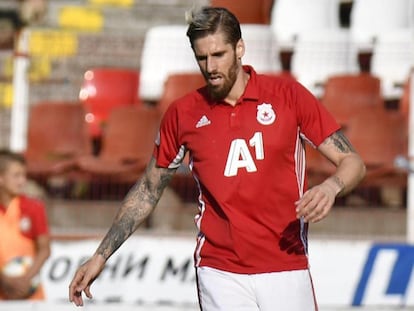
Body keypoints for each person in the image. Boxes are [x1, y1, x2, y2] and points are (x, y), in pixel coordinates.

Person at [69, 7, 366, 310]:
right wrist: (100, 255)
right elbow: (148, 189)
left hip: (286, 263)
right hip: (219, 269)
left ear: (240, 49)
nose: (210, 66)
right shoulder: (183, 114)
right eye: (202, 58)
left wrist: (331, 187)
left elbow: (353, 162)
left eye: (219, 55)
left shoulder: (289, 97)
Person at [0, 149, 50, 300]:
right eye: (16, 176)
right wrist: (4, 280)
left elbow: (45, 249)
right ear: (1, 178)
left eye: (24, 175)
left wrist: (25, 279)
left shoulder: (33, 207)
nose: (22, 181)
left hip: (30, 296)